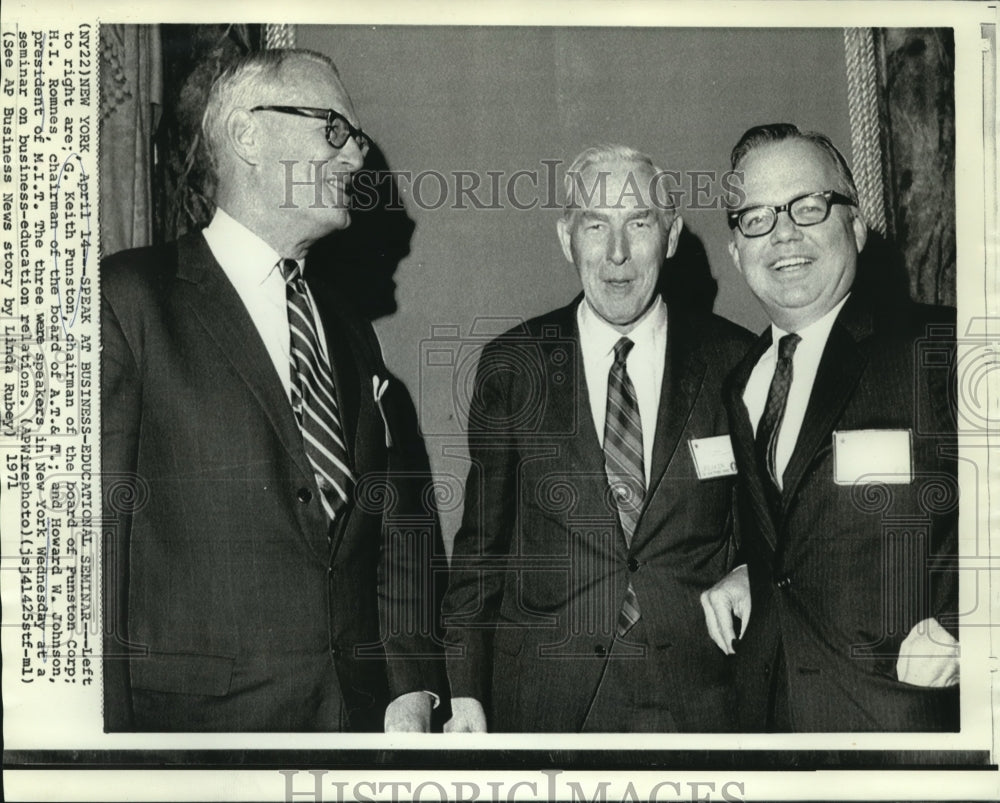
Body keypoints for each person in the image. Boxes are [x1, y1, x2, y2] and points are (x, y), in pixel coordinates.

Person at [101, 48, 446, 732]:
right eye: (334, 131)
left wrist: (410, 686)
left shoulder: (350, 333)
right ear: (247, 133)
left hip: (352, 730)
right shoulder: (130, 300)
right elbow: (93, 551)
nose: (356, 160)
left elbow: (394, 522)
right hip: (195, 742)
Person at [442, 145, 753, 732]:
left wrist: (749, 572)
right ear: (567, 239)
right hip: (545, 701)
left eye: (638, 224)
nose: (616, 254)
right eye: (595, 225)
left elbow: (773, 532)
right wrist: (463, 693)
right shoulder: (514, 366)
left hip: (699, 700)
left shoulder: (737, 362)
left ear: (671, 235)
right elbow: (481, 546)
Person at [700, 123, 959, 731]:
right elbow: (792, 532)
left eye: (808, 207)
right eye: (757, 217)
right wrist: (748, 571)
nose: (784, 233)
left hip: (906, 728)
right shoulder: (741, 384)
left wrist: (970, 629)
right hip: (775, 729)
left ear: (857, 224)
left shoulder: (941, 347)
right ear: (737, 251)